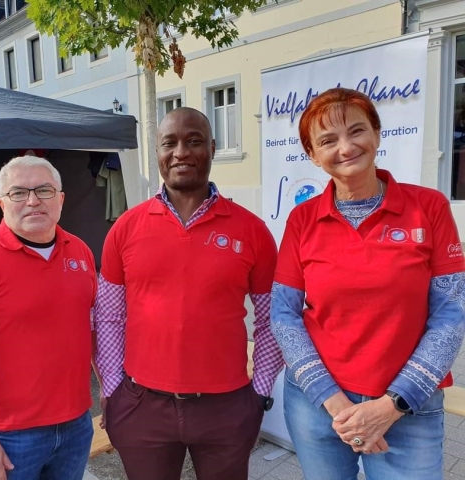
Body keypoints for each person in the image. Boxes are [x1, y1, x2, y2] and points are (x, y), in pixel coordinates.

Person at [270, 87, 465, 480]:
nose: (345, 147)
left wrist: (391, 405)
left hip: (409, 409)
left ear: (376, 134)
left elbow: (452, 312)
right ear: (312, 155)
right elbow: (284, 314)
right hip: (317, 404)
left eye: (356, 131)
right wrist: (336, 404)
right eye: (328, 140)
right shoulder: (302, 220)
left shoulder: (428, 207)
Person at [93, 107, 284, 480]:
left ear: (212, 148)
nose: (181, 151)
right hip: (142, 405)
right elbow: (110, 316)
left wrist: (258, 392)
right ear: (159, 154)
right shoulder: (125, 229)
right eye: (170, 143)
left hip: (226, 407)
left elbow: (272, 317)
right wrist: (114, 389)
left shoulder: (252, 230)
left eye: (193, 141)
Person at [0, 156, 97, 480]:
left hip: (77, 426)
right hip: (8, 435)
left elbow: (92, 329)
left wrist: (108, 393)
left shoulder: (80, 251)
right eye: (19, 193)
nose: (33, 200)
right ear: (1, 203)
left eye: (44, 190)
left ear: (61, 198)